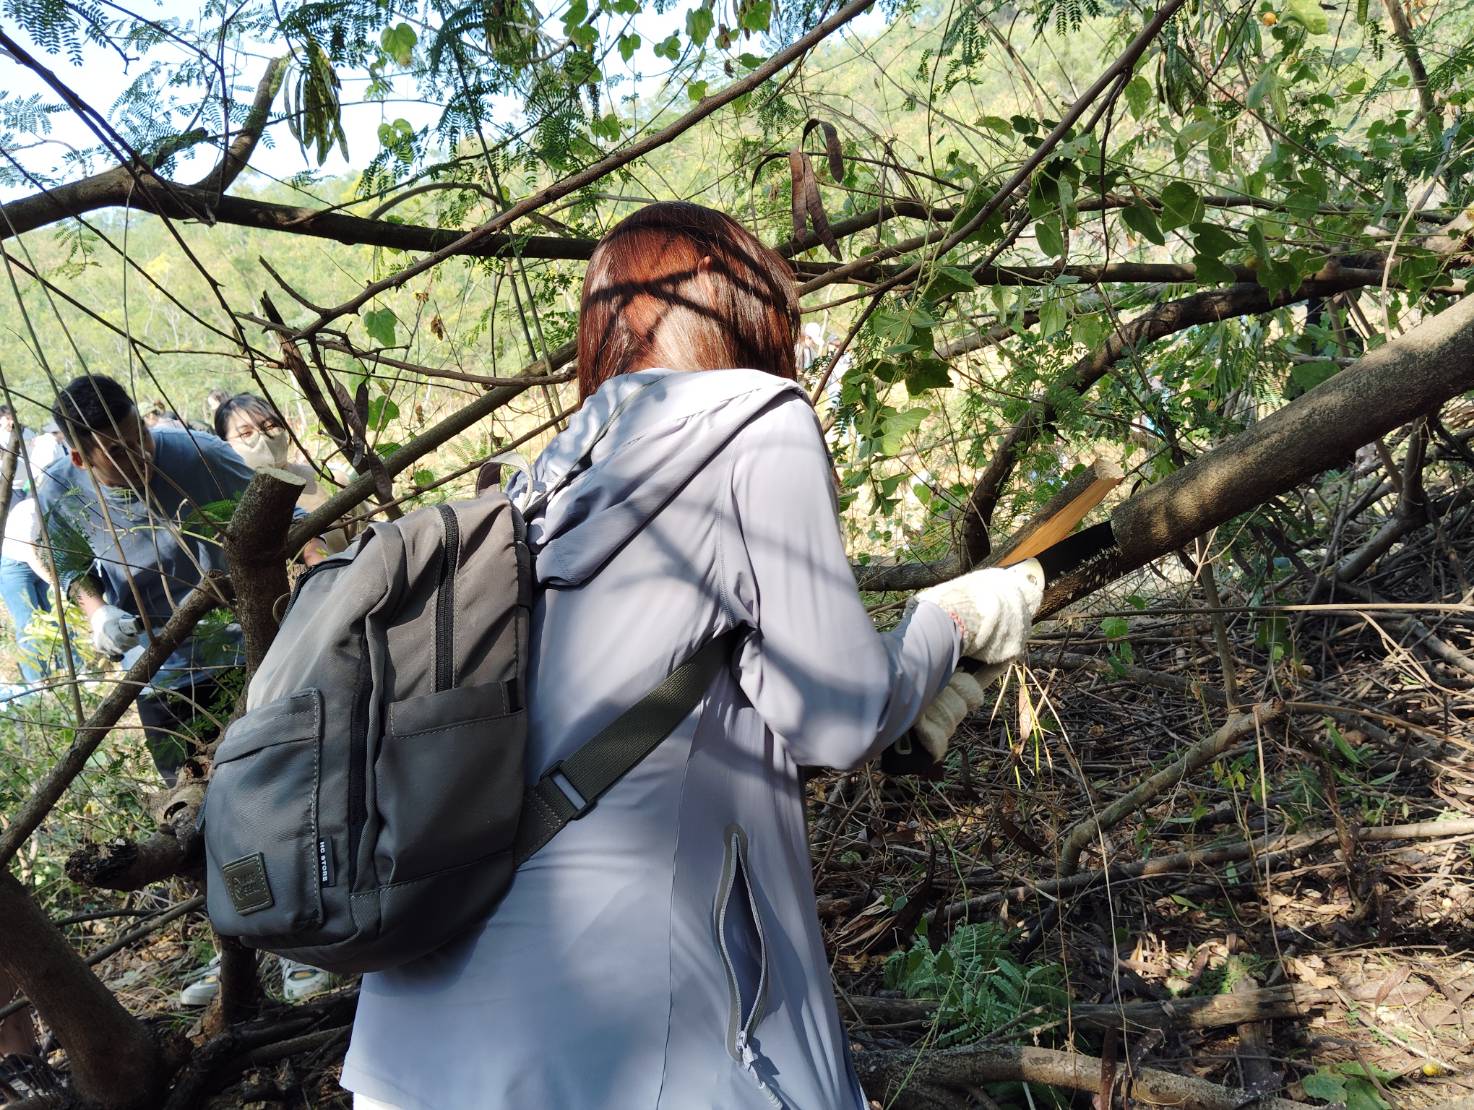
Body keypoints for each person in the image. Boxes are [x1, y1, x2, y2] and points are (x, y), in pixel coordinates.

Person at [340, 202, 1043, 1109]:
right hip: (619, 1045)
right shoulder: (753, 421)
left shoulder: (542, 484)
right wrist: (953, 621)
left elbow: (703, 692)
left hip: (416, 1041)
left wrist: (919, 693)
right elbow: (838, 716)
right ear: (728, 296)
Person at [36, 374, 332, 1005]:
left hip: (244, 654)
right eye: (117, 451)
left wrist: (321, 581)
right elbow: (70, 564)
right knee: (195, 819)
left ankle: (301, 942)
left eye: (138, 436)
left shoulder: (199, 454)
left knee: (271, 799)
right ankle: (233, 951)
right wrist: (95, 610)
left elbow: (286, 518)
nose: (139, 455)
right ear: (79, 458)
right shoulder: (60, 490)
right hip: (161, 673)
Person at [214, 393, 349, 552]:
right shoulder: (225, 507)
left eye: (270, 426)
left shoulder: (331, 480)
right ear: (225, 446)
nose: (263, 437)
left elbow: (365, 539)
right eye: (246, 433)